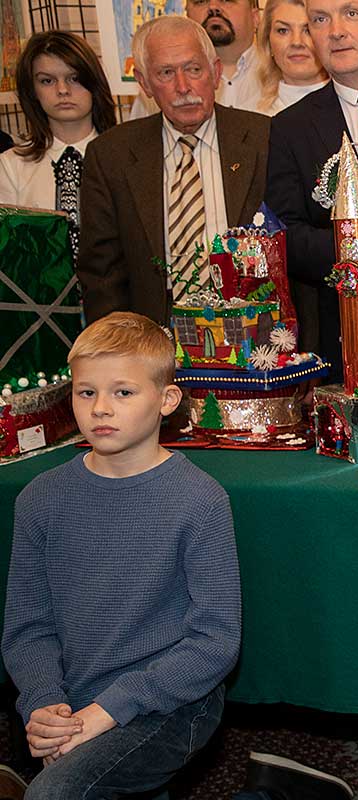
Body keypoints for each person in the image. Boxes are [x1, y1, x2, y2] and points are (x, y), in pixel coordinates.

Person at [1, 311, 240, 799]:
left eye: (123, 392)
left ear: (166, 400)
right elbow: (28, 628)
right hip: (72, 695)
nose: (101, 408)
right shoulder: (39, 499)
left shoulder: (200, 500)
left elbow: (215, 642)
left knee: (55, 793)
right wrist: (46, 706)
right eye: (86, 392)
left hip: (171, 700)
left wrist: (105, 712)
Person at [77, 15, 269, 325]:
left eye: (194, 69)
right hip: (152, 333)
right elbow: (101, 274)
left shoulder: (265, 139)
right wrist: (122, 346)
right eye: (166, 73)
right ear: (144, 83)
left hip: (251, 328)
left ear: (215, 72)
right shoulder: (111, 156)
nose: (183, 87)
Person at [267, 0, 358, 375]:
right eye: (320, 20)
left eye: (351, 13)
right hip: (345, 336)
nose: (336, 31)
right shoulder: (289, 127)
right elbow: (285, 234)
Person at [0, 31, 116, 253]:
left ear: (94, 82)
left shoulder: (125, 157)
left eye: (74, 78)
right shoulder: (10, 166)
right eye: (47, 81)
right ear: (32, 91)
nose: (63, 90)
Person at [129, 0, 264, 117]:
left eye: (226, 0)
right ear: (186, 15)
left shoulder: (275, 77)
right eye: (200, 1)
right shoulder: (154, 92)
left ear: (256, 17)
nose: (213, 7)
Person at [254, 0, 328, 114]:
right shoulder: (257, 120)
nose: (296, 42)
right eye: (283, 31)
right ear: (268, 41)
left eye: (308, 30)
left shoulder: (352, 111)